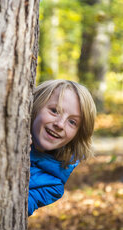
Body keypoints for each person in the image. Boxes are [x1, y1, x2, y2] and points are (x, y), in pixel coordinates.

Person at [28, 79, 96, 216]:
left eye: (72, 122)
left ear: (77, 135)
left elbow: (15, 208)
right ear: (35, 105)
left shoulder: (51, 186)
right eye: (54, 111)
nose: (60, 124)